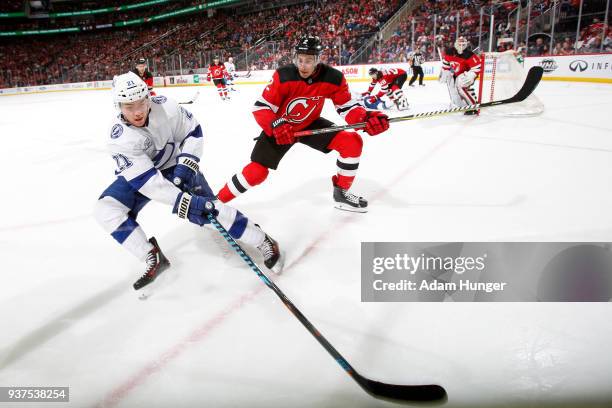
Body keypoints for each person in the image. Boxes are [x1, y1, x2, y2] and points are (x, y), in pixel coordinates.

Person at [94, 72, 283, 294]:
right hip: (146, 177)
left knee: (210, 212)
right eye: (129, 106)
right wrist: (184, 201)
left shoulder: (167, 107)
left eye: (141, 103)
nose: (137, 111)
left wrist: (185, 167)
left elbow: (193, 132)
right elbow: (149, 183)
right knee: (106, 209)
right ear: (118, 106)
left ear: (148, 97)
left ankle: (263, 240)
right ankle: (151, 256)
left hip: (176, 165)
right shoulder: (118, 139)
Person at [216, 36, 389, 213]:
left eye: (308, 61)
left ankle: (341, 193)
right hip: (281, 129)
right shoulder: (283, 75)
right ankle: (216, 201)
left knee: (352, 142)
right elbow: (261, 107)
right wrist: (275, 124)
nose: (303, 65)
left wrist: (366, 118)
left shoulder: (333, 78)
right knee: (257, 172)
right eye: (300, 60)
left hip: (310, 125)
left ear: (318, 60)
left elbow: (346, 107)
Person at [440, 36, 481, 115]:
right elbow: (446, 64)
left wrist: (472, 75)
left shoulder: (469, 54)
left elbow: (477, 67)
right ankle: (460, 102)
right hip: (456, 74)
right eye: (459, 44)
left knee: (461, 84)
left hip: (466, 75)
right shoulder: (449, 52)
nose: (461, 47)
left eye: (463, 44)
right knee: (452, 86)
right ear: (455, 44)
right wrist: (444, 73)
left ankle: (473, 107)